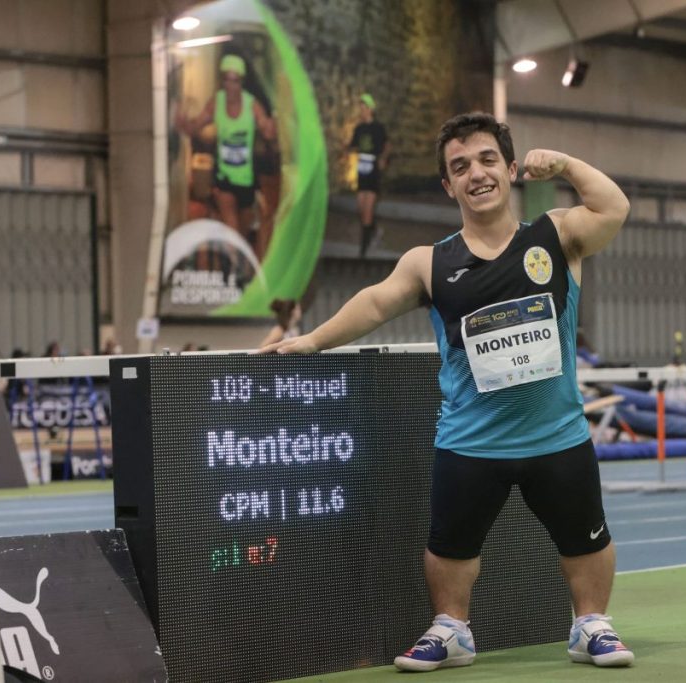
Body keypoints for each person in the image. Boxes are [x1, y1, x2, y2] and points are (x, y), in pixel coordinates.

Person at [260, 112, 633, 670]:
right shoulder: (429, 263)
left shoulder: (556, 235)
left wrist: (565, 165)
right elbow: (376, 302)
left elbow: (614, 208)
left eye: (487, 160)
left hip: (557, 437)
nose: (476, 174)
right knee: (450, 547)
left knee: (586, 540)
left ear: (511, 170)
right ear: (447, 185)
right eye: (460, 167)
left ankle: (591, 626)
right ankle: (452, 630)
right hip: (470, 442)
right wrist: (312, 340)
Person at [176, 54, 276, 241]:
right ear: (222, 81)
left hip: (246, 179)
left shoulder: (252, 105)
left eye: (235, 81)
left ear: (241, 82)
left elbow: (267, 131)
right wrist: (183, 123)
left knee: (243, 234)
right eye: (227, 80)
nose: (231, 86)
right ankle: (233, 253)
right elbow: (195, 127)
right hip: (224, 178)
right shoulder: (216, 103)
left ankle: (240, 254)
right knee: (233, 232)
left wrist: (273, 125)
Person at [347, 93, 391, 257]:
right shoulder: (359, 128)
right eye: (361, 107)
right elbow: (353, 145)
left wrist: (383, 158)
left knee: (367, 210)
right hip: (361, 170)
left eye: (365, 107)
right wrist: (346, 149)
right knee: (361, 207)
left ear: (371, 109)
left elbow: (387, 144)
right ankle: (374, 230)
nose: (362, 110)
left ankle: (363, 250)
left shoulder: (378, 128)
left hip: (373, 169)